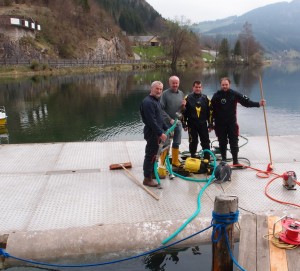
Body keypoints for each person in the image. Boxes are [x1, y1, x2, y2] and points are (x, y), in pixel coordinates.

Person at [211, 77, 266, 165]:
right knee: (222, 142)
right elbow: (211, 110)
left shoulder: (234, 94)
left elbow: (246, 102)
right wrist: (211, 124)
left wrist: (258, 104)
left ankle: (235, 161)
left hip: (231, 123)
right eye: (223, 85)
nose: (224, 86)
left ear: (229, 85)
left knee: (234, 142)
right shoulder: (216, 96)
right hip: (220, 124)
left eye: (226, 85)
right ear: (220, 85)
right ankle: (224, 160)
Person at [140, 81, 168, 187]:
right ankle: (147, 178)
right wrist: (160, 133)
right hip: (152, 133)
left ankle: (152, 173)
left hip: (156, 133)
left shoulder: (156, 101)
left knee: (154, 155)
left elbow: (159, 117)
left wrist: (166, 128)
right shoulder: (148, 102)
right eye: (157, 88)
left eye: (161, 89)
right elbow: (151, 121)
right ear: (151, 89)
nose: (159, 91)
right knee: (150, 156)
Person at [183, 80, 213, 160]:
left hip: (203, 123)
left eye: (199, 87)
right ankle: (193, 156)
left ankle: (207, 158)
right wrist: (184, 124)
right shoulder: (187, 98)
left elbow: (210, 112)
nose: (198, 89)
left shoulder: (206, 98)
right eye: (196, 87)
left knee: (205, 141)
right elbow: (184, 112)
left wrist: (210, 124)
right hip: (191, 124)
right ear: (193, 87)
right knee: (193, 141)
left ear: (201, 88)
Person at [160, 75, 186, 167]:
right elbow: (161, 110)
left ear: (178, 83)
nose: (175, 85)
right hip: (166, 123)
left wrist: (183, 106)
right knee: (166, 143)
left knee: (177, 142)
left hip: (177, 122)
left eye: (176, 83)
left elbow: (182, 110)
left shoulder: (181, 93)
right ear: (169, 83)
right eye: (173, 83)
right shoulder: (164, 94)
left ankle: (175, 161)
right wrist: (169, 119)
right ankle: (163, 164)